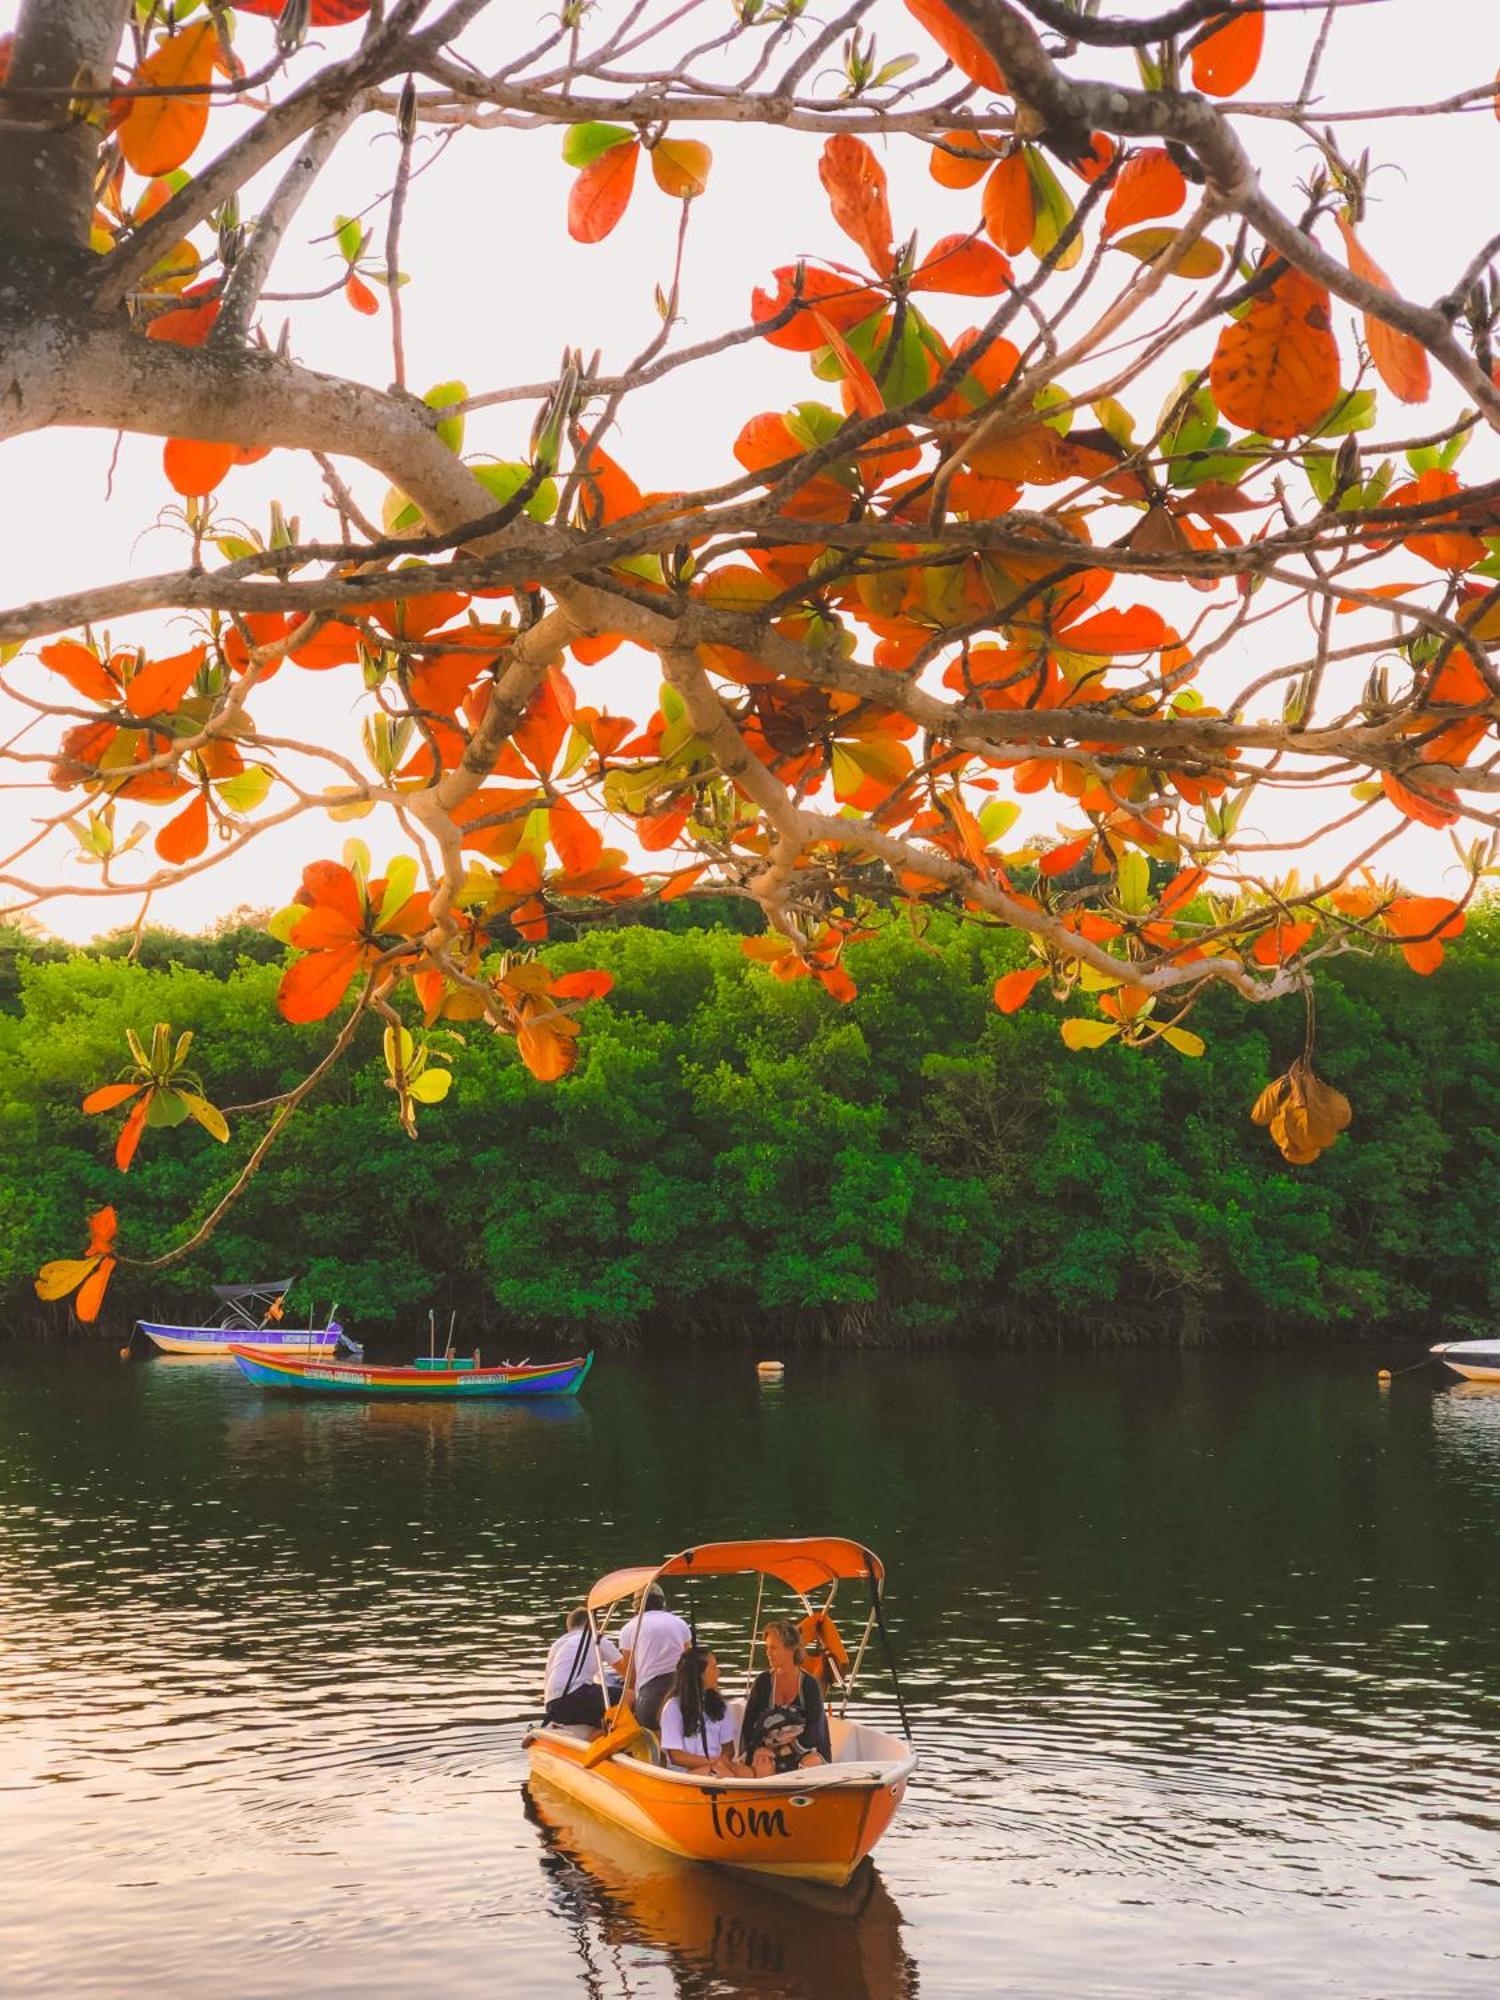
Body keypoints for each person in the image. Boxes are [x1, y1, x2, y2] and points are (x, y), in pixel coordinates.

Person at [740, 1617, 832, 1775]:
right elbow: (748, 1727)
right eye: (767, 1648)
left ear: (791, 1650)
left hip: (806, 1748)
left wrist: (784, 1751)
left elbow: (815, 1731)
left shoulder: (809, 1685)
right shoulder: (762, 1682)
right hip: (768, 1748)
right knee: (763, 1766)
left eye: (774, 1648)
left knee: (809, 1765)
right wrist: (757, 1751)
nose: (768, 1653)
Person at [614, 1584, 691, 1730]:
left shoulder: (628, 1629)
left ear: (636, 1606)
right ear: (662, 1602)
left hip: (651, 1701)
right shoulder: (680, 1623)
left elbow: (631, 1677)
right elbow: (689, 1661)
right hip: (684, 1693)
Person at [658, 1648, 747, 1775]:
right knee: (721, 1773)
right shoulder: (673, 1707)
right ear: (700, 1674)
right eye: (714, 1667)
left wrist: (722, 1761)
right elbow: (676, 1757)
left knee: (747, 1773)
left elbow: (729, 1748)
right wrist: (712, 1762)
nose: (718, 1672)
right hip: (684, 1774)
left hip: (715, 1764)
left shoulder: (721, 1706)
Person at [542, 1606, 621, 1730]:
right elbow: (629, 1673)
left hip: (552, 1706)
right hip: (576, 1698)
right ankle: (623, 1738)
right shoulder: (595, 1637)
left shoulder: (557, 1645)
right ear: (595, 1625)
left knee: (598, 1702)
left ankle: (599, 1733)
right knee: (630, 1696)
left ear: (569, 1628)